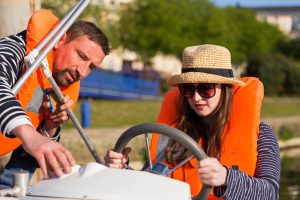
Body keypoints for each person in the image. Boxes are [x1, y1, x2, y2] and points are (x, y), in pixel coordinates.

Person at [104, 44, 280, 199]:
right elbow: (150, 182)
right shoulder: (172, 131)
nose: (196, 98)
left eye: (206, 88)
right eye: (188, 89)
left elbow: (270, 193)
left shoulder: (262, 134)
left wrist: (226, 177)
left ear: (225, 90)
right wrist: (123, 169)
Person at [0, 9, 110, 188]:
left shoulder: (54, 84)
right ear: (60, 40)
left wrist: (49, 128)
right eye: (81, 56)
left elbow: (29, 155)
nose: (82, 72)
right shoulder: (13, 51)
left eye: (91, 67)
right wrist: (30, 135)